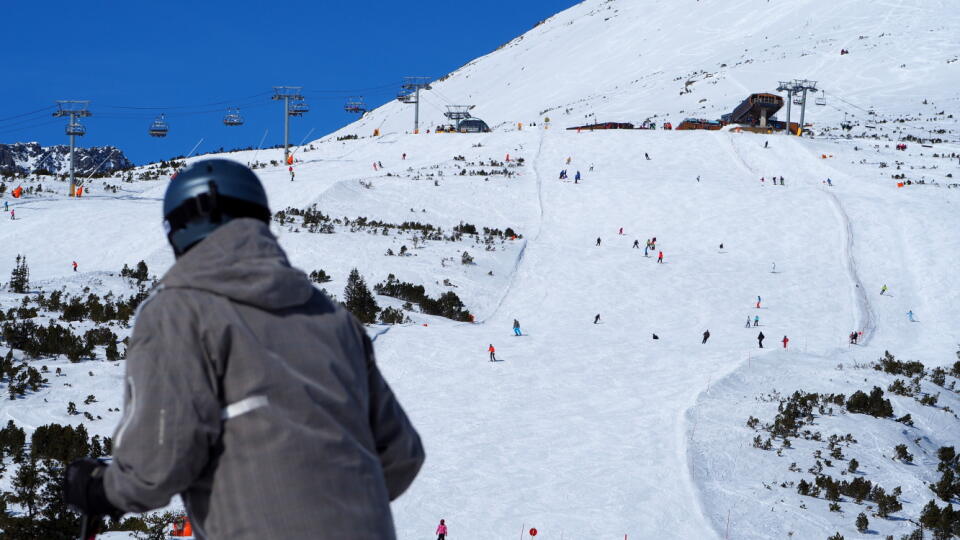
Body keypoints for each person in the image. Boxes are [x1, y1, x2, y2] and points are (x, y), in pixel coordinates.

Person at [62, 159, 424, 540]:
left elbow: (157, 463)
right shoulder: (335, 319)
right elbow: (402, 454)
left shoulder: (179, 312)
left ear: (179, 231)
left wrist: (100, 488)